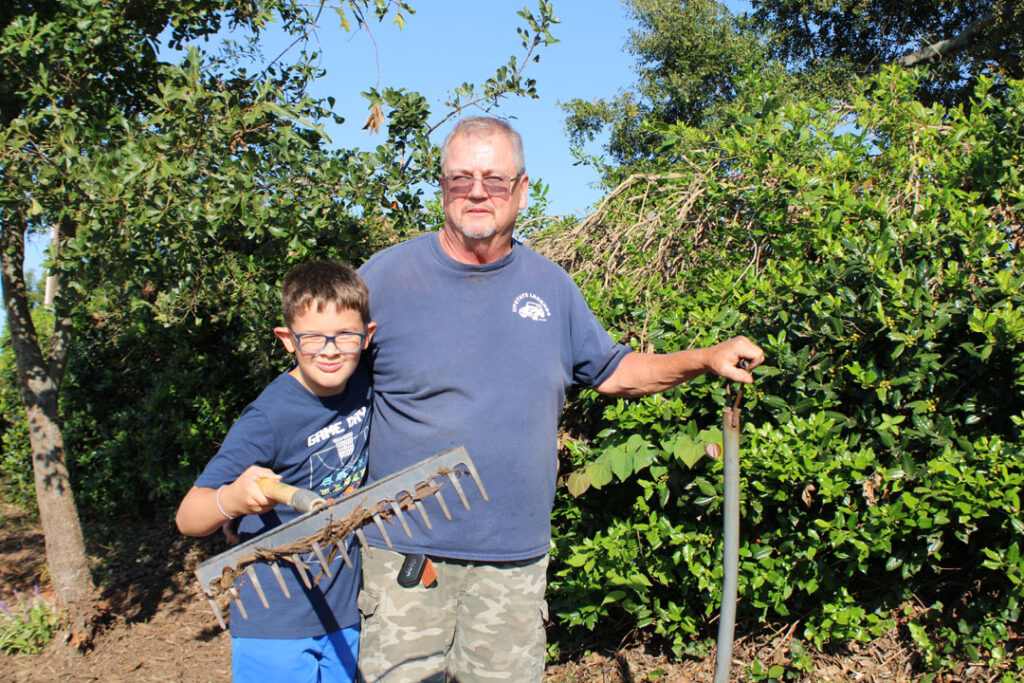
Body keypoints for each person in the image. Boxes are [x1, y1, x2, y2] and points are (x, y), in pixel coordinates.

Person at [356, 116, 765, 683]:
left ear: (522, 190)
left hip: (514, 562)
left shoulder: (551, 287)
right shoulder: (383, 279)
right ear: (442, 186)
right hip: (404, 553)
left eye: (495, 180)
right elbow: (320, 387)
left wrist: (703, 358)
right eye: (461, 179)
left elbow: (614, 370)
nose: (478, 192)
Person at [175, 260, 376, 683]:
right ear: (287, 340)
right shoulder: (267, 419)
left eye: (345, 336)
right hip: (274, 619)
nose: (329, 350)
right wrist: (231, 500)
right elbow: (188, 517)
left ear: (366, 337)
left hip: (344, 612)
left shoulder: (366, 382)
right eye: (312, 338)